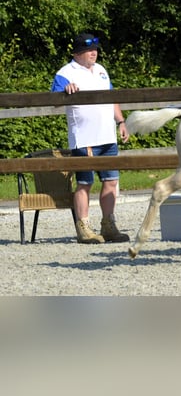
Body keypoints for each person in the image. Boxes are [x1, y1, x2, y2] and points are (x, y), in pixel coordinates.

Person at [51, 33, 131, 244]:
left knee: (111, 181)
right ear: (76, 53)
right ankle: (84, 227)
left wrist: (121, 122)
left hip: (107, 136)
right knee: (85, 182)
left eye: (95, 49)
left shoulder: (102, 70)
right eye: (88, 50)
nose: (93, 53)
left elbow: (112, 97)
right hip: (85, 138)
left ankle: (108, 224)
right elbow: (54, 100)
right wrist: (65, 92)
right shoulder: (66, 73)